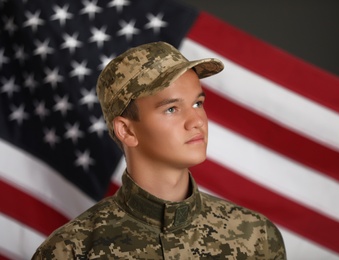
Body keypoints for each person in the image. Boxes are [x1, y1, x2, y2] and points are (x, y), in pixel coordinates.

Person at [32, 41, 286, 259]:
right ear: (127, 131)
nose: (196, 121)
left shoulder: (256, 236)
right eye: (172, 109)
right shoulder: (70, 250)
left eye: (197, 103)